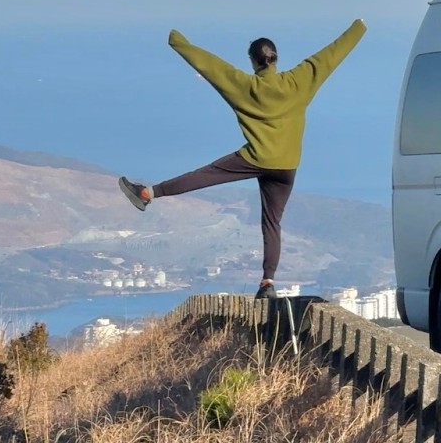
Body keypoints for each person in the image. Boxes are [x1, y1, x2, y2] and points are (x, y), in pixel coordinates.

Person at [118, 19, 367, 299]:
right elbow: (331, 55)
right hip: (287, 166)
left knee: (207, 174)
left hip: (256, 158)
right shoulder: (299, 82)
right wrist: (358, 27)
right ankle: (268, 283)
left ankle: (147, 193)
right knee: (272, 222)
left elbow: (211, 66)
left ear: (253, 61)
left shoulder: (245, 86)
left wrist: (177, 40)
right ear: (276, 58)